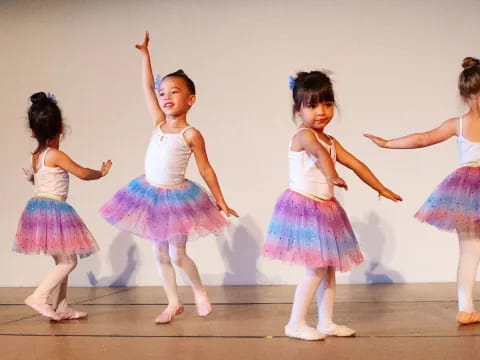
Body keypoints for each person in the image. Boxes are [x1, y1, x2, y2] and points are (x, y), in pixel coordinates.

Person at [100, 32, 238, 324]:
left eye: (174, 92)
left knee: (178, 254)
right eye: (163, 93)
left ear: (191, 99)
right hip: (149, 194)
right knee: (159, 255)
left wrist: (221, 202)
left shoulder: (191, 134)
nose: (165, 97)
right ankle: (173, 303)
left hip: (177, 199)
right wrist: (146, 56)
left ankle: (199, 291)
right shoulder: (159, 123)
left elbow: (206, 169)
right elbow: (146, 88)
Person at [264, 71, 402, 340]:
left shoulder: (330, 141)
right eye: (312, 106)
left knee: (328, 269)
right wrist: (332, 176)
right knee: (316, 268)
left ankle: (326, 322)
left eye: (327, 104)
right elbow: (317, 154)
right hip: (304, 208)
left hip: (325, 209)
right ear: (299, 109)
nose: (321, 112)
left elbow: (357, 164)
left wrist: (380, 188)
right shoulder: (304, 136)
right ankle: (295, 323)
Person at [365, 57, 480, 325]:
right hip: (465, 191)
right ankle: (466, 308)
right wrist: (387, 144)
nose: (477, 100)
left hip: (466, 189)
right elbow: (423, 138)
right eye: (474, 94)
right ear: (465, 96)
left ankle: (466, 307)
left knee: (470, 249)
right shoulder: (457, 124)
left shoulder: (459, 124)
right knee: (470, 249)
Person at [15, 91, 112, 320]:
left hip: (38, 210)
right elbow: (81, 173)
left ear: (32, 131)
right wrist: (101, 173)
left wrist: (31, 177)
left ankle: (62, 306)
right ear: (60, 128)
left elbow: (39, 179)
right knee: (69, 260)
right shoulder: (55, 154)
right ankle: (38, 297)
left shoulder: (36, 156)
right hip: (53, 209)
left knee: (63, 259)